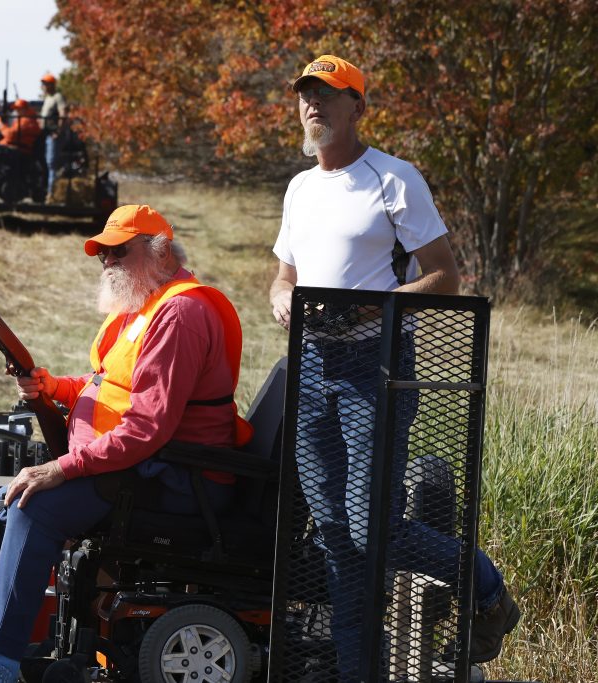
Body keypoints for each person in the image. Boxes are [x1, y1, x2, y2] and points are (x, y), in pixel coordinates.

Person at [269, 55, 520, 679]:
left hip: (373, 369)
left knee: (368, 523)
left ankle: (486, 586)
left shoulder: (394, 178)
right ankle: (359, 671)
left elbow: (444, 276)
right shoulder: (299, 188)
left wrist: (373, 308)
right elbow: (284, 274)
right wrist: (282, 297)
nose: (313, 104)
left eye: (328, 93)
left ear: (358, 106)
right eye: (305, 94)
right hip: (311, 366)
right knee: (334, 533)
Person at [0, 204, 252, 683]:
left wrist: (62, 468)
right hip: (143, 467)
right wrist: (54, 388)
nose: (108, 262)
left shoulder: (180, 313)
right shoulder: (146, 305)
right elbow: (107, 383)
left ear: (160, 252)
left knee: (35, 506)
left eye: (119, 251)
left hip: (178, 478)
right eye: (103, 254)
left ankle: (1, 665)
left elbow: (147, 428)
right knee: (5, 506)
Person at [0, 99, 42, 200]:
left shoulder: (27, 121)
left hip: (18, 150)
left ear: (25, 109)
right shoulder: (21, 120)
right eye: (16, 109)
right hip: (12, 147)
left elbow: (10, 135)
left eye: (19, 109)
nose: (17, 111)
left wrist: (0, 123)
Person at [39, 72, 68, 195]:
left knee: (52, 163)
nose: (43, 86)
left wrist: (58, 131)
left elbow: (63, 114)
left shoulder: (58, 97)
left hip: (54, 135)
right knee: (47, 162)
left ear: (52, 85)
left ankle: (52, 194)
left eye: (46, 84)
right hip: (46, 135)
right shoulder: (47, 98)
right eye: (43, 84)